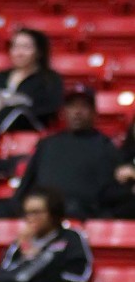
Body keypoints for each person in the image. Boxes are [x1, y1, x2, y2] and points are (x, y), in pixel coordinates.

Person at [11, 84, 127, 220]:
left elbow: (115, 197)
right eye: (72, 106)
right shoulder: (47, 144)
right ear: (64, 111)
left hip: (85, 215)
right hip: (42, 214)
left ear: (94, 112)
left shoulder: (107, 147)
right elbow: (25, 188)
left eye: (83, 106)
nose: (77, 111)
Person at [0, 27, 63, 141]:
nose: (19, 53)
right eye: (15, 47)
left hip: (30, 132)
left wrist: (12, 105)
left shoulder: (50, 79)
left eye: (26, 47)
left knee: (16, 111)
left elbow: (51, 109)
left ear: (39, 51)